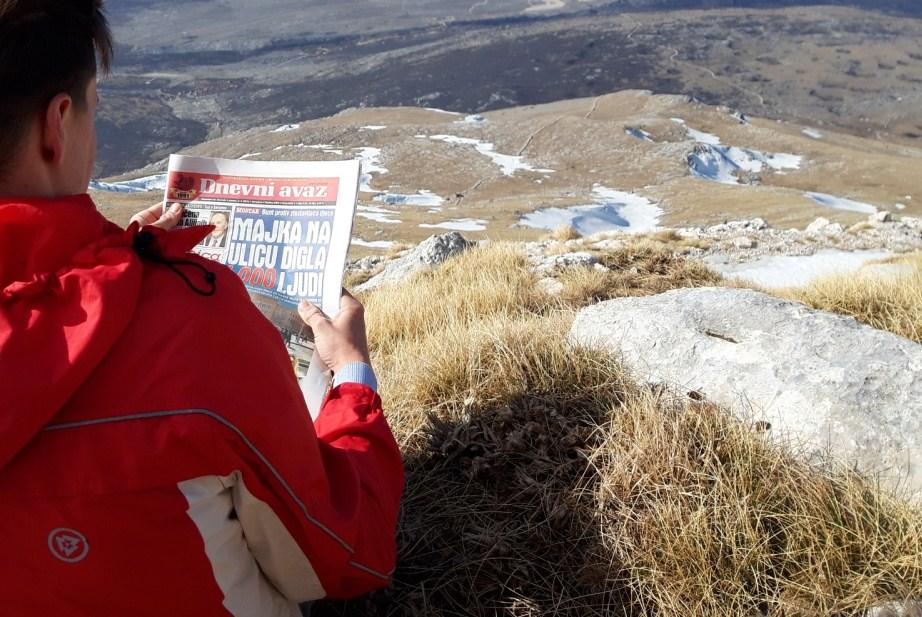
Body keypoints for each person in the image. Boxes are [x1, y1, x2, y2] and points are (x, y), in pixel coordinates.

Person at [0, 2, 403, 615]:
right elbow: (352, 551)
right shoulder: (194, 325)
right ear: (57, 126)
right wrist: (352, 376)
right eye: (93, 111)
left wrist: (110, 263)